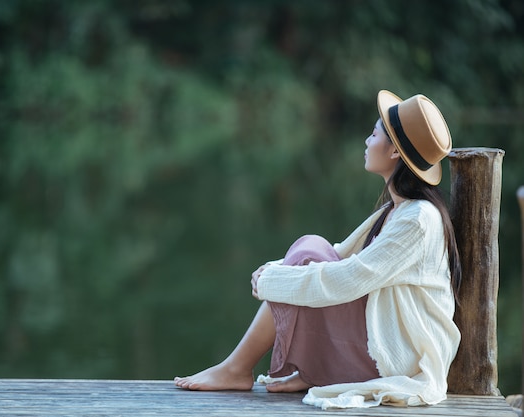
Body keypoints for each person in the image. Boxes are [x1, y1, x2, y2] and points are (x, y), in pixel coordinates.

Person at [174, 90, 462, 409]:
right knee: (311, 248)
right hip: (380, 340)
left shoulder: (418, 220)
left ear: (394, 151)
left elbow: (350, 278)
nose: (366, 142)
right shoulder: (398, 211)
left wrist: (274, 279)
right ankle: (302, 369)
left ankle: (236, 369)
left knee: (307, 256)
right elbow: (341, 254)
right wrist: (277, 268)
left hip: (397, 358)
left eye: (373, 134)